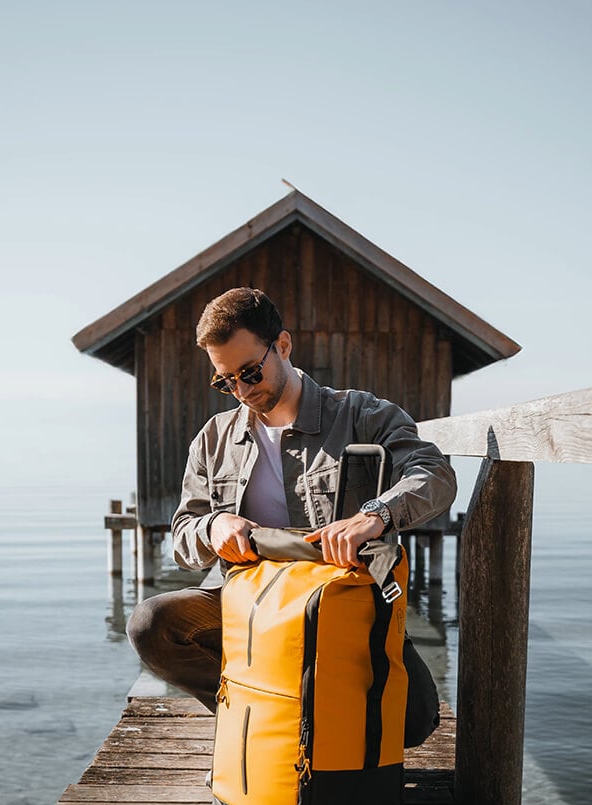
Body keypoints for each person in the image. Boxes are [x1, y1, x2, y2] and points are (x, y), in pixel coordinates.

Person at [126, 287, 457, 745]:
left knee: (414, 723)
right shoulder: (212, 439)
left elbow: (435, 474)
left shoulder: (361, 414)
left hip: (341, 608)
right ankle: (260, 721)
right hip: (244, 606)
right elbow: (184, 535)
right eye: (225, 381)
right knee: (151, 623)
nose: (241, 391)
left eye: (249, 372)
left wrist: (376, 514)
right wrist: (212, 525)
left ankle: (290, 716)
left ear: (282, 345)